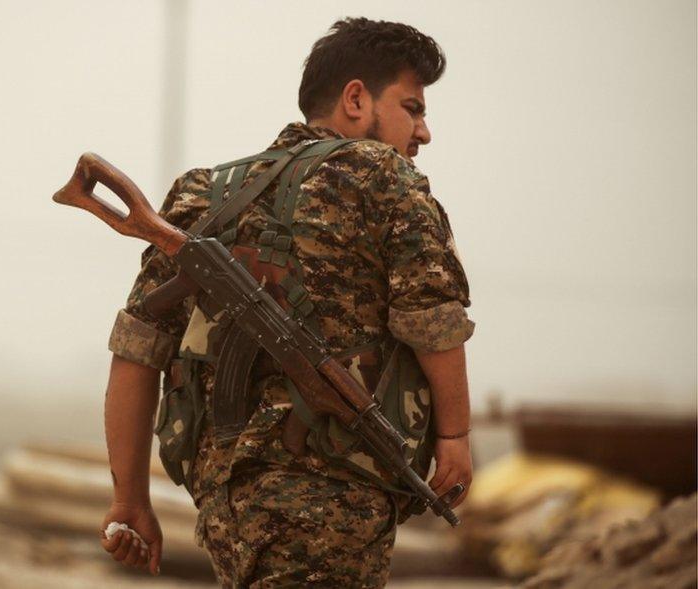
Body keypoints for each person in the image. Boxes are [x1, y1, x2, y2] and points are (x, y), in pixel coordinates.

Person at [99, 18, 474, 587]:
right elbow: (433, 323)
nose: (423, 132)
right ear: (355, 99)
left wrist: (130, 498)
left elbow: (137, 350)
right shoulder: (385, 179)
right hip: (335, 500)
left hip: (227, 504)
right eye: (413, 108)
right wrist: (455, 438)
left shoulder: (206, 190)